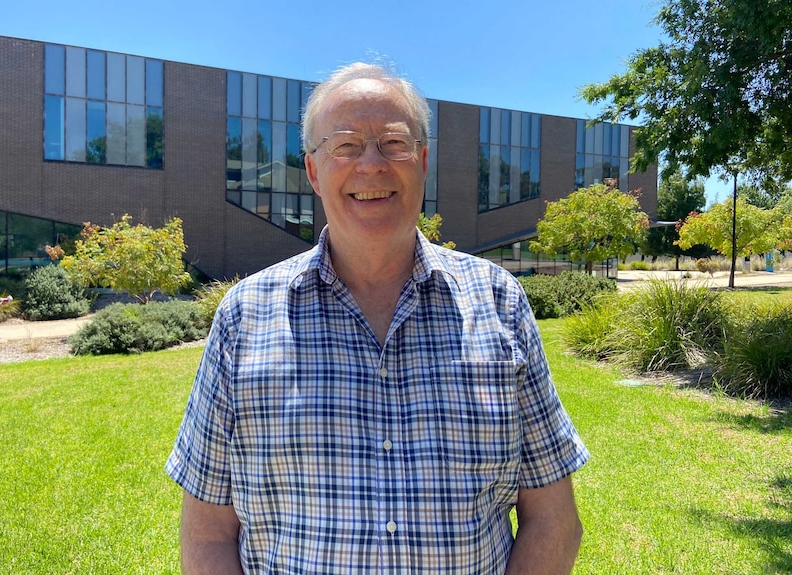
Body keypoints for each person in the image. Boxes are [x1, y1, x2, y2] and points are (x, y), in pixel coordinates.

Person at [166, 62, 590, 574]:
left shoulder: (500, 304)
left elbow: (553, 520)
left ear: (423, 161)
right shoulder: (243, 319)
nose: (371, 165)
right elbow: (208, 535)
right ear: (314, 172)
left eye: (393, 143)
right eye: (345, 145)